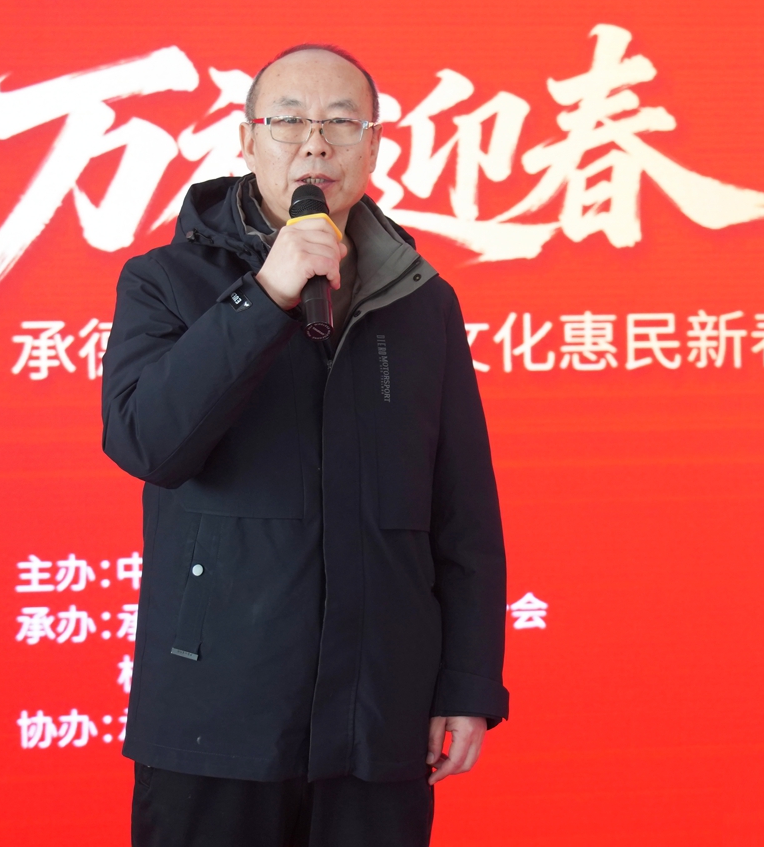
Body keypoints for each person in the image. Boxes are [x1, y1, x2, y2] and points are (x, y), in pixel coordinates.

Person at [100, 43, 509, 847]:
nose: (315, 144)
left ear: (374, 146)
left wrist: (466, 682)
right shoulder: (164, 281)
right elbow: (147, 442)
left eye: (340, 122)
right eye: (288, 121)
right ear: (246, 141)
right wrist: (264, 297)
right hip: (217, 711)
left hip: (376, 715)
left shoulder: (420, 301)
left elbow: (462, 508)